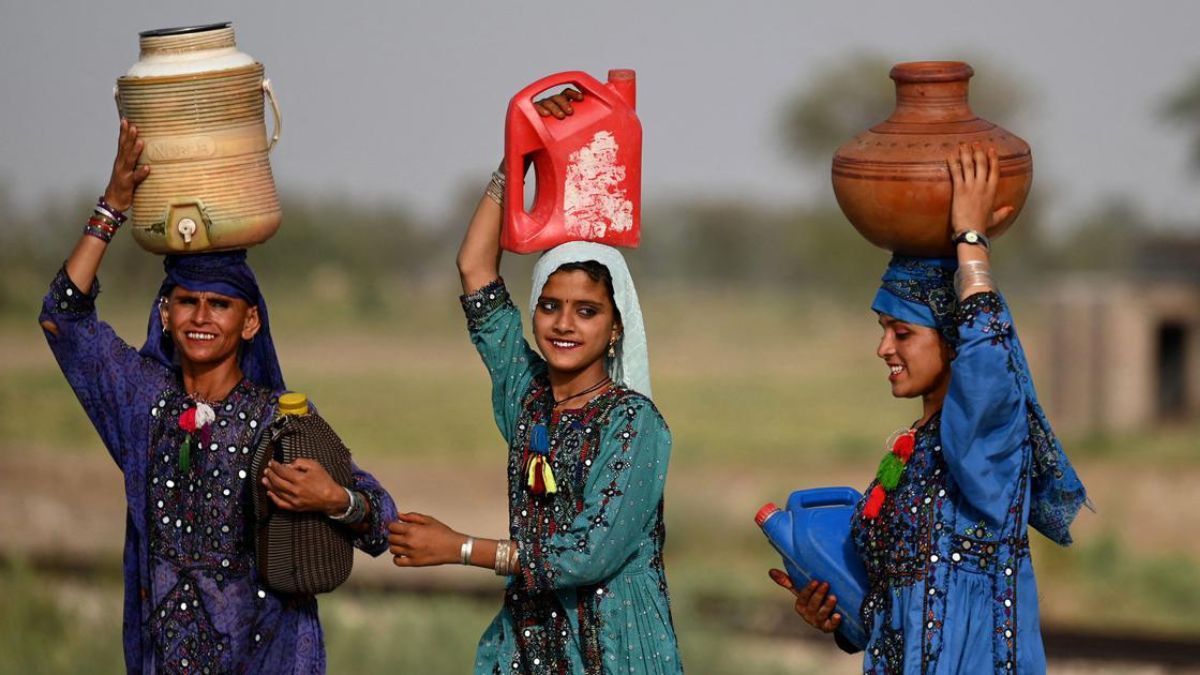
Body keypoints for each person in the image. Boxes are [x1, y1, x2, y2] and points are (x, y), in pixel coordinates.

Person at [39, 119, 398, 673]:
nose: (201, 317)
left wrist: (334, 500)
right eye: (187, 302)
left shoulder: (281, 422)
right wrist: (112, 205)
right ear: (165, 313)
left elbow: (380, 523)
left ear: (249, 321)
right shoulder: (141, 401)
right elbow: (63, 316)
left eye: (220, 304)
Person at [386, 89, 682, 674]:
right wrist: (517, 160)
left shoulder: (634, 424)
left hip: (617, 648)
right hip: (529, 645)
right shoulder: (528, 395)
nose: (564, 324)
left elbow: (587, 554)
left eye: (587, 310)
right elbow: (475, 269)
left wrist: (461, 549)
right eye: (549, 306)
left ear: (617, 324)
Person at [771, 143, 1088, 672]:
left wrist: (971, 241)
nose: (884, 348)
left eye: (902, 332)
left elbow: (988, 359)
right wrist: (836, 613)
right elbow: (892, 607)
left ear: (955, 337)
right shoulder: (911, 446)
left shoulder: (988, 442)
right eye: (882, 331)